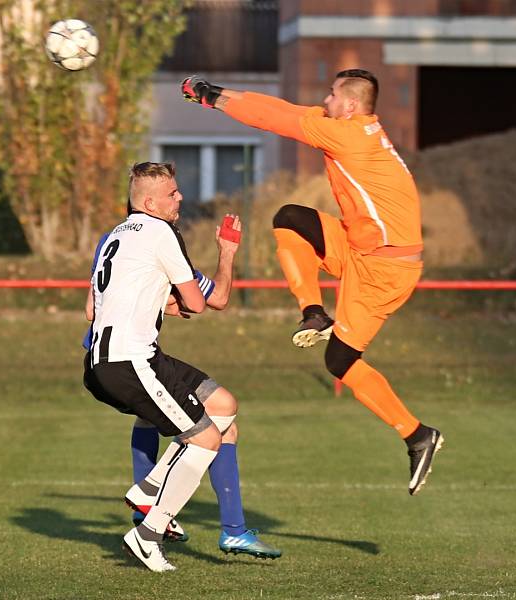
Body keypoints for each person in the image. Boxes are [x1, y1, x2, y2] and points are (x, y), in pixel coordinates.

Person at [181, 70, 443, 495]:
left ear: (351, 105)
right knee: (290, 220)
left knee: (339, 362)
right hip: (362, 248)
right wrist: (214, 91)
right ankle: (314, 312)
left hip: (384, 269)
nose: (325, 98)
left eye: (333, 93)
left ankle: (416, 435)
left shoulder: (349, 137)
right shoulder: (345, 125)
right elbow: (280, 110)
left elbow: (273, 121)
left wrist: (210, 98)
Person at [83, 162, 276, 572]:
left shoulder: (112, 237)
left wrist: (161, 301)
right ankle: (148, 534)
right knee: (205, 440)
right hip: (129, 361)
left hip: (106, 359)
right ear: (150, 203)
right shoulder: (162, 233)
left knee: (223, 405)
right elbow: (202, 303)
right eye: (173, 193)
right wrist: (226, 254)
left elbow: (91, 309)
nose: (180, 198)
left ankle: (149, 490)